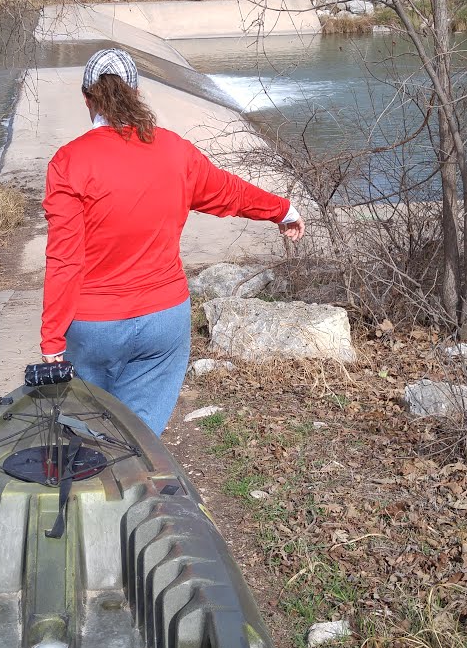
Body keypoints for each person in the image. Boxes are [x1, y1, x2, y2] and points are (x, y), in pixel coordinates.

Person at [40, 48, 304, 435]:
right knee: (140, 440)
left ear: (87, 98)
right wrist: (282, 210)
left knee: (86, 434)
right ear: (136, 92)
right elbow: (228, 192)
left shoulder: (69, 162)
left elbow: (64, 260)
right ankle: (136, 489)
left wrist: (52, 340)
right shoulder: (174, 150)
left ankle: (91, 488)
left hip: (94, 324)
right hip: (164, 320)